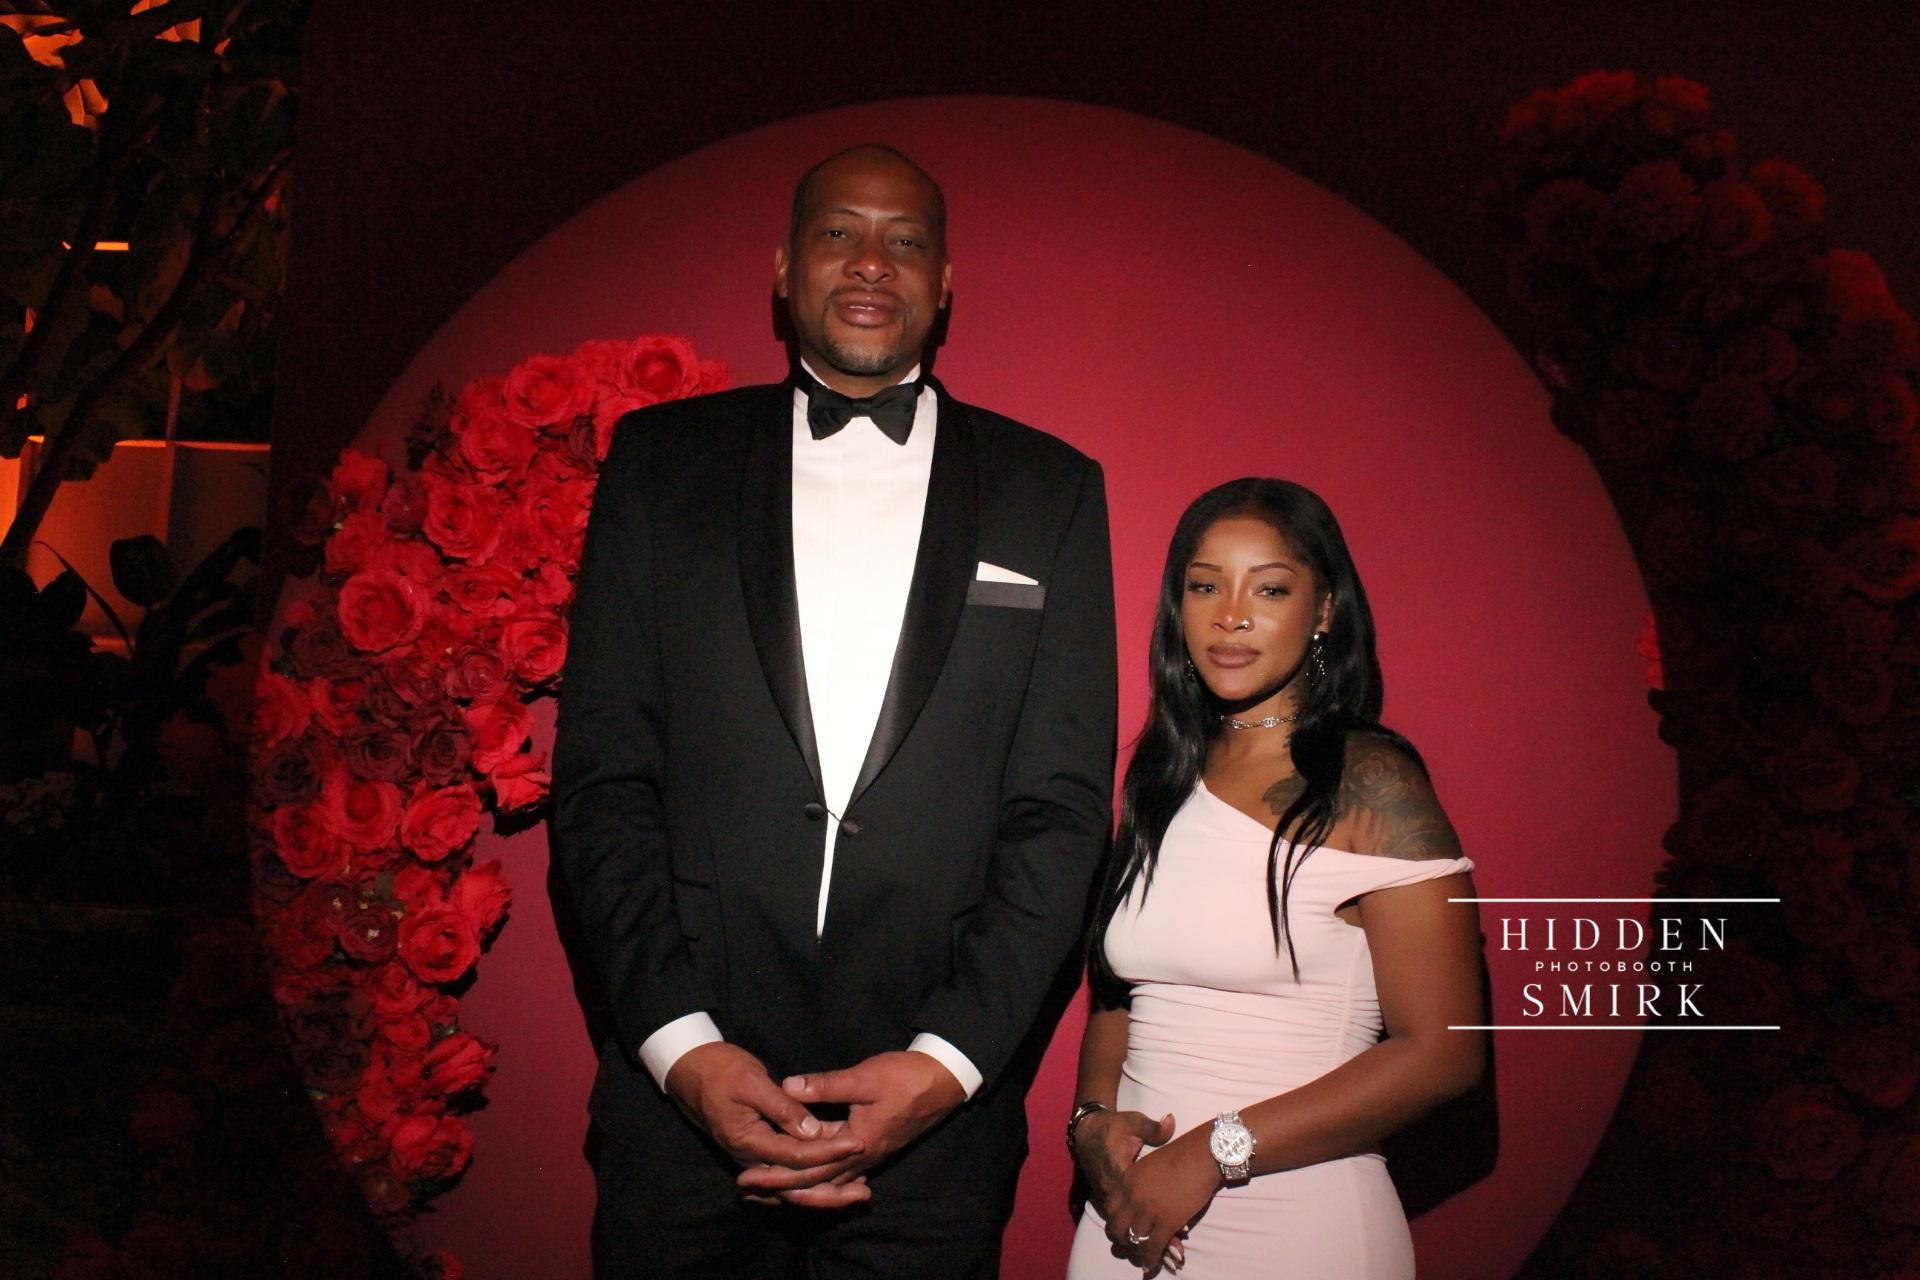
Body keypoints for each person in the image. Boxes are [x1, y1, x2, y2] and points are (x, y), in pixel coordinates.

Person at [551, 143, 1117, 1279]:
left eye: (906, 240)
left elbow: (1058, 817)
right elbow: (604, 782)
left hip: (932, 1150)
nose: (871, 261)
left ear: (944, 283)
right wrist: (682, 1050)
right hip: (676, 1131)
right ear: (782, 267)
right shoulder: (658, 465)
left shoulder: (1050, 489)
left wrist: (945, 1065)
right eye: (838, 232)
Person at [1064, 478, 1485, 1279]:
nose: (1230, 615)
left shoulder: (1371, 784)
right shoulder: (1161, 776)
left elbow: (1443, 1053)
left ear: (1323, 610)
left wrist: (1210, 1152)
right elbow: (1121, 994)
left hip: (1298, 1225)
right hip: (1127, 1221)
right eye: (1204, 586)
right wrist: (1091, 1121)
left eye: (1270, 589)